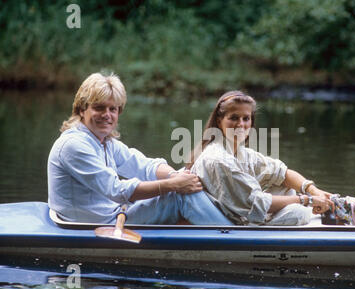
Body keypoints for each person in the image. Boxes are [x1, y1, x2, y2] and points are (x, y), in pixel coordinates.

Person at [47, 72, 232, 225]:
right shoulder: (74, 145)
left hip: (113, 214)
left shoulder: (104, 142)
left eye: (113, 109)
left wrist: (176, 177)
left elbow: (145, 166)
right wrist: (173, 185)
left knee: (186, 175)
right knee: (180, 196)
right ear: (81, 110)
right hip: (99, 223)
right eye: (99, 108)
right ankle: (235, 239)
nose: (107, 115)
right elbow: (116, 190)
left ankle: (235, 225)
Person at [186, 91, 334, 226]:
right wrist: (307, 200)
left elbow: (282, 172)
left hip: (246, 210)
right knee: (299, 212)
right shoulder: (218, 159)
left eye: (246, 118)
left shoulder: (241, 152)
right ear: (219, 121)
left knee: (286, 186)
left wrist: (314, 191)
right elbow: (256, 202)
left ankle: (314, 209)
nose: (241, 124)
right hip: (233, 223)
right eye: (234, 118)